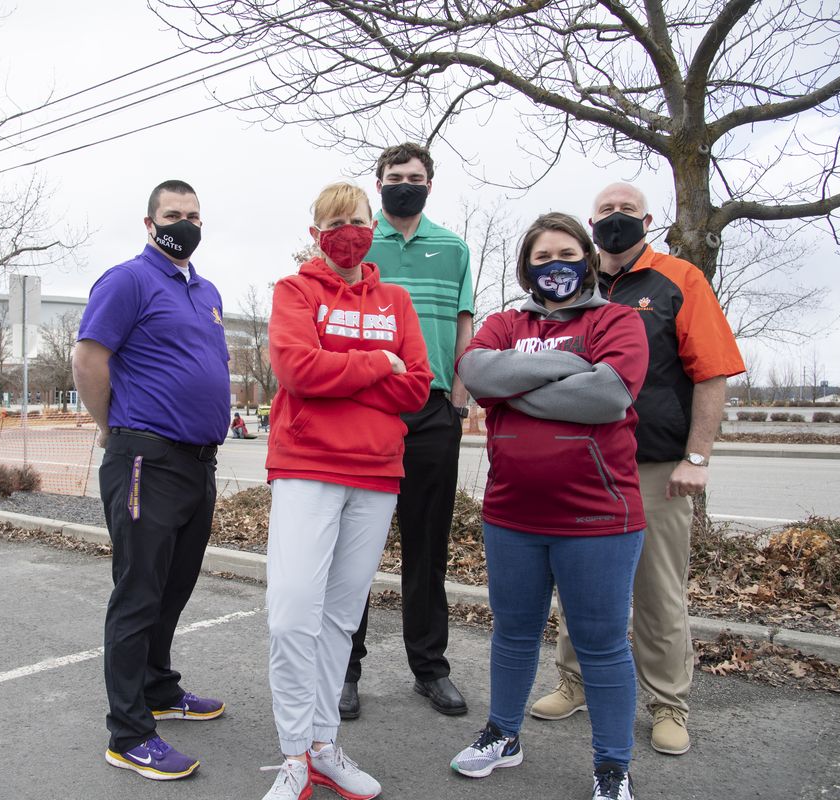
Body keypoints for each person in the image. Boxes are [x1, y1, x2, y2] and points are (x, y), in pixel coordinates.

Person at [530, 183, 745, 756]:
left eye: (628, 211)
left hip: (655, 466)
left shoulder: (679, 281)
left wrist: (697, 457)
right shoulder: (573, 284)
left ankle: (668, 703)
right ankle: (574, 681)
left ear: (648, 219)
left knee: (657, 591)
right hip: (584, 463)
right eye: (606, 211)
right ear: (590, 220)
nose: (616, 219)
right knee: (582, 584)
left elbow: (713, 372)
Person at [453, 212, 648, 800]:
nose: (553, 265)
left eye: (565, 252)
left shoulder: (616, 320)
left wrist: (516, 386)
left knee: (601, 644)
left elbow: (607, 394)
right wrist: (566, 369)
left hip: (597, 518)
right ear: (525, 268)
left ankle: (612, 766)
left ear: (586, 257)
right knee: (513, 634)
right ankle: (503, 735)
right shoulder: (503, 321)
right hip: (511, 514)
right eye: (541, 258)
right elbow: (474, 371)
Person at [260, 182, 432, 800]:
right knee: (290, 615)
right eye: (333, 223)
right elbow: (296, 369)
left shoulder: (397, 300)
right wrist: (374, 365)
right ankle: (292, 756)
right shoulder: (294, 291)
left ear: (372, 227)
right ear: (315, 233)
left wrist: (347, 372)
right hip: (307, 466)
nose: (346, 231)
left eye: (356, 221)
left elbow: (417, 387)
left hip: (376, 473)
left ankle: (323, 745)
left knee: (338, 620)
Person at [72, 179, 230, 782]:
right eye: (172, 214)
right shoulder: (127, 280)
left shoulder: (207, 290)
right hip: (147, 458)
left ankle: (160, 689)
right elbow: (90, 359)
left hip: (198, 461)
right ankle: (130, 732)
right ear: (149, 222)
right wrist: (110, 424)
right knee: (138, 592)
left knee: (175, 586)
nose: (183, 223)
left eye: (192, 215)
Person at [342, 142, 475, 720]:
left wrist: (461, 400)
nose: (405, 184)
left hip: (432, 411)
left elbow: (465, 322)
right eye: (395, 176)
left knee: (428, 548)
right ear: (379, 183)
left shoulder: (453, 248)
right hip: (368, 411)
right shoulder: (357, 244)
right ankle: (344, 671)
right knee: (354, 551)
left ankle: (430, 669)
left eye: (415, 177)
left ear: (430, 184)